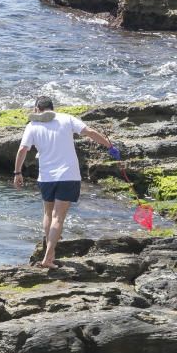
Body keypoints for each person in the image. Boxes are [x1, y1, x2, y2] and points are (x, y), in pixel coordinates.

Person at [13, 96, 117, 268]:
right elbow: (90, 132)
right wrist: (110, 146)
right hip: (68, 175)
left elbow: (22, 149)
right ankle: (48, 257)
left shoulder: (32, 126)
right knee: (58, 217)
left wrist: (17, 172)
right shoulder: (67, 118)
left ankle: (50, 253)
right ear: (52, 107)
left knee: (48, 214)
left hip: (46, 178)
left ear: (37, 109)